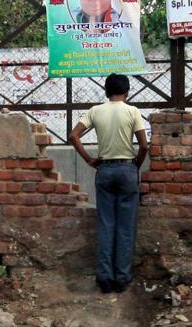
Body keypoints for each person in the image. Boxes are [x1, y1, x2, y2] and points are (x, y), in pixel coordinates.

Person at [69, 74, 148, 294]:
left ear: (106, 91)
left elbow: (74, 136)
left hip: (104, 170)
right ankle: (122, 278)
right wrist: (135, 167)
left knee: (106, 224)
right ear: (127, 91)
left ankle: (104, 278)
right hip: (127, 169)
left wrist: (89, 159)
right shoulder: (132, 111)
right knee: (125, 226)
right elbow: (143, 146)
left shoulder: (96, 111)